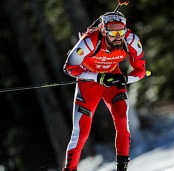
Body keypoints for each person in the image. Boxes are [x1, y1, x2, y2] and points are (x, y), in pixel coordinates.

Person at [62, 9, 146, 171]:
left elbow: (141, 71)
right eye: (112, 32)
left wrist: (125, 79)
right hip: (88, 82)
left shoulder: (131, 40)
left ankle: (122, 167)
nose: (117, 36)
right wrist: (97, 77)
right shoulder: (89, 41)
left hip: (113, 79)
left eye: (120, 31)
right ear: (102, 30)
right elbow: (69, 67)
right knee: (81, 133)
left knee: (122, 119)